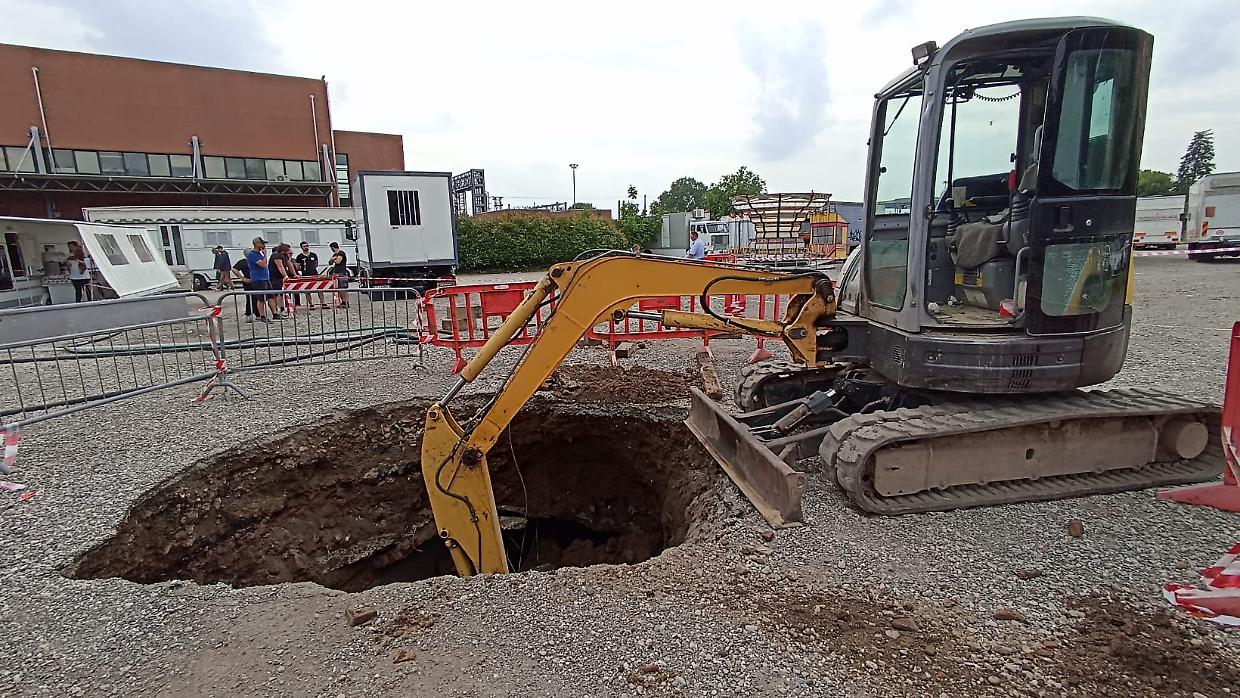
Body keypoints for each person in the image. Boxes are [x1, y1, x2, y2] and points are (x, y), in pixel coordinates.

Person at [245, 236, 279, 322]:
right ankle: (262, 315)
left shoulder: (260, 253)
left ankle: (275, 313)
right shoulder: (252, 254)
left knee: (271, 296)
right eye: (262, 243)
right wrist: (265, 255)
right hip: (258, 279)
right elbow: (263, 264)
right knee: (261, 298)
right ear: (256, 244)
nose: (263, 245)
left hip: (265, 278)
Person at [295, 241, 326, 308]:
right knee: (307, 290)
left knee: (319, 288)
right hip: (305, 275)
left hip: (315, 274)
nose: (306, 247)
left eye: (307, 246)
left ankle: (323, 302)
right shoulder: (299, 257)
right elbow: (297, 267)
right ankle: (311, 304)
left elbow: (316, 264)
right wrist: (303, 269)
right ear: (301, 247)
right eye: (304, 246)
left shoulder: (313, 255)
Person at [270, 243, 298, 314]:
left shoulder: (285, 256)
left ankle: (282, 308)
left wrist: (295, 275)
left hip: (280, 277)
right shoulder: (276, 255)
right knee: (277, 294)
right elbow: (280, 266)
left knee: (281, 294)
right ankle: (278, 310)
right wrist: (285, 276)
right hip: (274, 277)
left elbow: (290, 264)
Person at [328, 242, 350, 309]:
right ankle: (342, 302)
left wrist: (334, 259)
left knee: (343, 288)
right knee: (339, 288)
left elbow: (338, 261)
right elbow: (330, 262)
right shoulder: (335, 254)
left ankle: (345, 302)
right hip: (337, 273)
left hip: (342, 273)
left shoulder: (341, 253)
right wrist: (333, 259)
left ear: (333, 248)